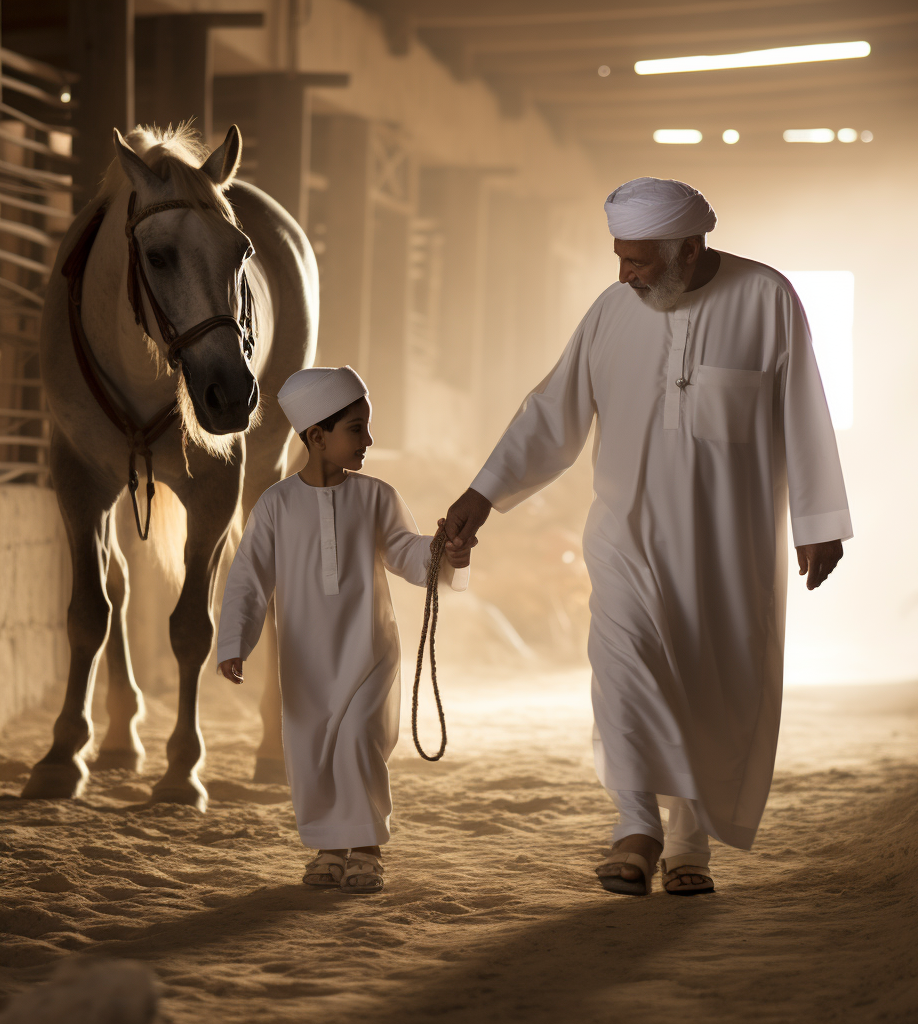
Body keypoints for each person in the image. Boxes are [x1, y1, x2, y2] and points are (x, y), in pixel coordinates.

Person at [445, 177, 851, 897]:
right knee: (623, 670)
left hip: (729, 547)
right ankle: (635, 824)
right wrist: (483, 493)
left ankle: (690, 840)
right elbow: (552, 412)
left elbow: (804, 410)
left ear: (690, 251)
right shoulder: (610, 312)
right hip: (623, 535)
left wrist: (818, 522)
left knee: (708, 684)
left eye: (638, 261)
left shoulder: (767, 300)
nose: (624, 274)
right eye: (620, 257)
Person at [217, 366, 471, 894]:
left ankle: (367, 848)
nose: (368, 441)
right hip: (306, 660)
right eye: (356, 429)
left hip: (369, 652)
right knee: (312, 749)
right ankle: (330, 849)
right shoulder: (276, 506)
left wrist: (444, 550)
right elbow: (248, 577)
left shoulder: (377, 496)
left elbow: (406, 552)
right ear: (316, 436)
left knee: (358, 739)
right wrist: (234, 641)